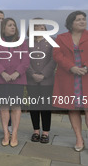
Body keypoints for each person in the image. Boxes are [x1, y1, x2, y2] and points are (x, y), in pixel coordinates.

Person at [0, 17, 29, 147]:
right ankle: (6, 134)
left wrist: (16, 73)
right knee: (4, 107)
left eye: (14, 25)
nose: (13, 27)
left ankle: (15, 134)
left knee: (16, 107)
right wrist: (3, 73)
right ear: (3, 28)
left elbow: (25, 61)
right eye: (10, 25)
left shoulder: (22, 43)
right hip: (1, 80)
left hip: (17, 80)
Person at [53, 11, 88, 152]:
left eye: (84, 19)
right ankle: (79, 138)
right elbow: (57, 55)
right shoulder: (61, 38)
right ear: (71, 23)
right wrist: (72, 67)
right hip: (68, 78)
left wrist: (85, 67)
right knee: (73, 109)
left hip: (86, 77)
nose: (82, 21)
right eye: (78, 19)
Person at [26, 19, 56, 143]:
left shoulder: (51, 42)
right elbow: (24, 60)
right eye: (37, 27)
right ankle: (36, 131)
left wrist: (43, 74)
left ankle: (45, 132)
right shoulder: (26, 43)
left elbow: (54, 60)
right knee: (34, 106)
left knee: (45, 106)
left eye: (42, 27)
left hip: (47, 80)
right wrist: (32, 73)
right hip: (31, 80)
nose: (40, 29)